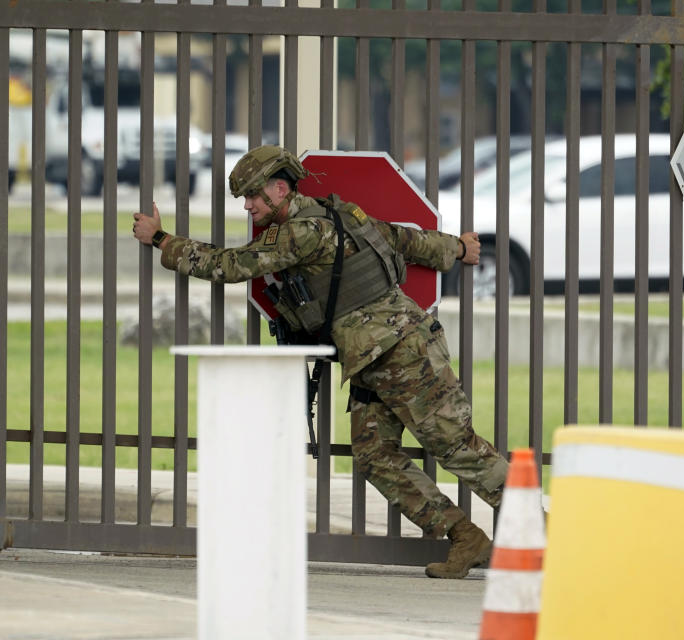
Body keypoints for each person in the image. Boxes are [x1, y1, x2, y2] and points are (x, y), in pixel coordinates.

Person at [132, 145, 509, 579]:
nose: (248, 206)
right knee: (374, 457)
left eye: (254, 196)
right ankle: (466, 538)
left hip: (403, 352)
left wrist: (161, 239)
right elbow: (402, 238)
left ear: (280, 189)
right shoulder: (342, 214)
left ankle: (544, 529)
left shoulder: (300, 233)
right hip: (373, 358)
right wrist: (456, 250)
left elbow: (230, 265)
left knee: (456, 446)